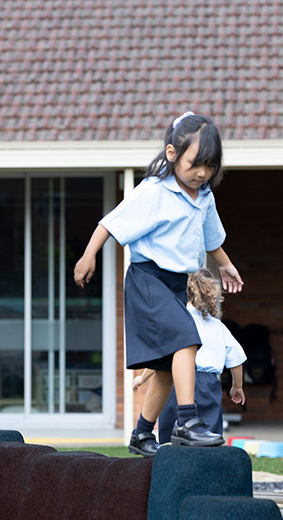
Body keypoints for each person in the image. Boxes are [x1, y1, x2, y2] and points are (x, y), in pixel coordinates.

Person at [73, 111, 244, 456]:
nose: (202, 173)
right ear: (171, 154)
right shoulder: (154, 191)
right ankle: (187, 421)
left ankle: (141, 433)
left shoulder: (204, 197)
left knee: (166, 364)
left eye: (210, 166)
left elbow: (211, 239)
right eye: (195, 164)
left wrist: (226, 266)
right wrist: (88, 255)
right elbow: (110, 223)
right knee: (187, 339)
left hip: (177, 285)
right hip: (147, 279)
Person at [133, 269, 246, 443]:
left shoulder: (175, 323)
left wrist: (143, 377)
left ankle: (169, 456)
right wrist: (237, 387)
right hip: (208, 385)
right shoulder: (218, 327)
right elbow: (236, 360)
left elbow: (163, 358)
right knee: (208, 431)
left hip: (175, 382)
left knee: (170, 432)